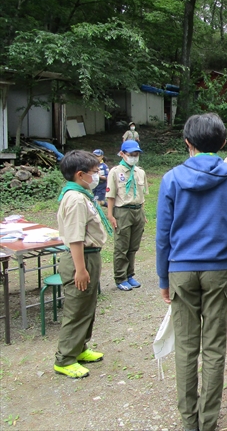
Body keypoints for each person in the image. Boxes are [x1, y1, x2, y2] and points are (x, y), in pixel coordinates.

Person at [156, 113, 227, 431]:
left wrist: (162, 279)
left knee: (185, 347)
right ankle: (208, 422)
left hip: (181, 271)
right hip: (219, 270)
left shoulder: (171, 179)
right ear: (223, 143)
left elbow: (162, 236)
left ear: (187, 143)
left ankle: (189, 422)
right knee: (213, 347)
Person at [54, 150, 112, 378]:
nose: (97, 175)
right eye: (94, 172)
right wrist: (80, 269)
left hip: (90, 255)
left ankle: (80, 347)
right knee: (76, 309)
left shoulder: (81, 194)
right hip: (81, 257)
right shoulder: (76, 199)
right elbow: (75, 237)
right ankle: (65, 358)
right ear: (80, 174)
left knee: (87, 305)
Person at [106, 140, 148, 291]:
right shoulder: (115, 172)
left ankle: (130, 274)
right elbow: (110, 195)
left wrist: (143, 213)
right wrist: (110, 215)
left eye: (136, 154)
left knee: (133, 246)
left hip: (137, 211)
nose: (134, 157)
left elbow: (142, 195)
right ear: (122, 154)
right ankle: (120, 277)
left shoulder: (140, 172)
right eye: (131, 154)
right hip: (122, 211)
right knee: (121, 246)